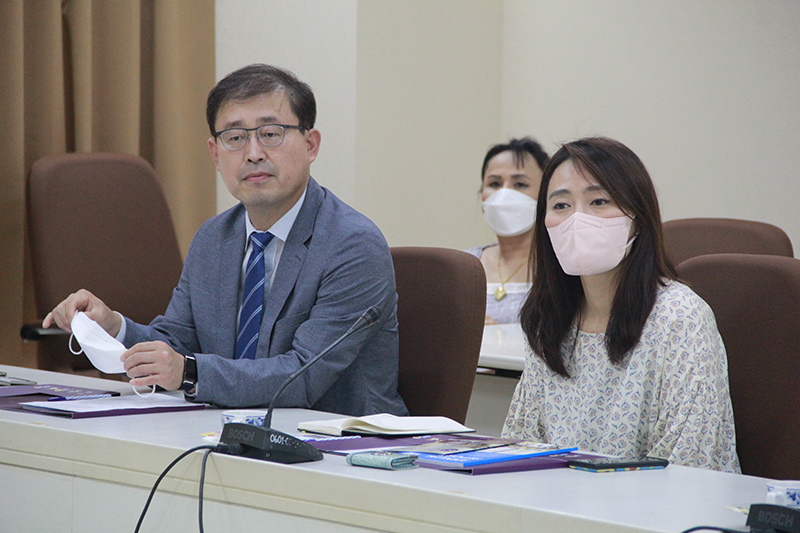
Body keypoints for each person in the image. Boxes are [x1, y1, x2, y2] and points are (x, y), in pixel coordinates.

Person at [43, 64, 408, 417]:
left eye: (271, 133)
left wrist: (188, 372)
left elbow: (301, 377)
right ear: (216, 155)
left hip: (342, 450)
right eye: (235, 138)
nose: (253, 153)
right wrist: (113, 328)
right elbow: (177, 344)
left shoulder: (352, 245)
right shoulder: (214, 238)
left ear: (311, 145)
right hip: (228, 435)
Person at [502, 136, 740, 473]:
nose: (577, 219)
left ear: (638, 218)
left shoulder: (680, 318)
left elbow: (686, 465)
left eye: (598, 201)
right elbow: (521, 448)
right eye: (560, 206)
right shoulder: (547, 321)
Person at [466, 137, 548, 324]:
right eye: (494, 184)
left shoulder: (562, 268)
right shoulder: (465, 266)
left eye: (520, 184)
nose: (504, 194)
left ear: (546, 195)